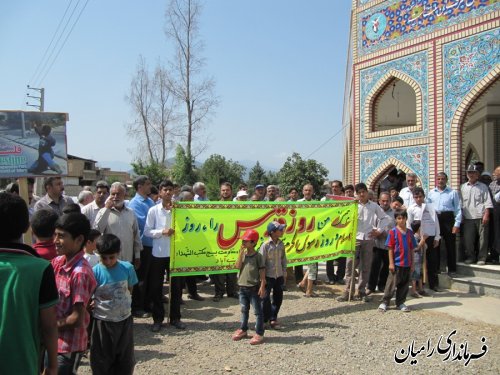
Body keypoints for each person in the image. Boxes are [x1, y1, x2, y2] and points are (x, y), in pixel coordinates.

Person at [0, 192, 59, 375]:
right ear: (27, 226)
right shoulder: (41, 269)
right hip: (23, 364)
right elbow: (49, 326)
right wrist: (52, 365)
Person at [51, 213, 97, 374]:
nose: (55, 240)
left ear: (79, 240)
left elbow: (76, 318)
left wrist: (47, 327)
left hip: (68, 345)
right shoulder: (57, 262)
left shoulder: (80, 272)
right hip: (52, 341)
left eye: (61, 236)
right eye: (55, 234)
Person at [90, 234, 138, 375]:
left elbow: (130, 289)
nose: (108, 261)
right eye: (104, 258)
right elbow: (91, 294)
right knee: (102, 357)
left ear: (118, 253)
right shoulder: (95, 272)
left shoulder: (127, 268)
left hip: (124, 319)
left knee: (125, 357)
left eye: (112, 257)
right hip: (102, 322)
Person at [144, 180, 186, 332]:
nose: (168, 192)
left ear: (174, 192)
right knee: (156, 288)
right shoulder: (153, 211)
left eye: (170, 190)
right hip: (158, 254)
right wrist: (162, 232)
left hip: (175, 255)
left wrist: (176, 212)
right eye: (165, 190)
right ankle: (158, 319)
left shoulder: (179, 209)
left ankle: (175, 318)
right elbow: (147, 232)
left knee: (176, 288)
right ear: (160, 192)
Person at [338, 183, 389, 302]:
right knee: (350, 265)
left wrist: (379, 231)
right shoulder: (353, 204)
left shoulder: (374, 206)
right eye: (359, 192)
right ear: (356, 193)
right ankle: (347, 291)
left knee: (365, 267)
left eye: (363, 192)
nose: (361, 194)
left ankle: (361, 292)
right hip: (354, 238)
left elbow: (384, 218)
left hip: (369, 239)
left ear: (367, 192)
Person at [94, 182, 142, 267]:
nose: (115, 197)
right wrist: (107, 209)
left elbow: (136, 234)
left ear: (124, 195)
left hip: (127, 259)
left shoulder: (130, 213)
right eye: (113, 194)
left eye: (118, 194)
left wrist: (137, 255)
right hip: (109, 260)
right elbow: (97, 230)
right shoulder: (103, 212)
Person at [128, 176, 156, 318]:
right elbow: (143, 223)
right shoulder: (135, 203)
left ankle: (147, 303)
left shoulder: (150, 201)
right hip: (143, 245)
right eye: (147, 184)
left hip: (152, 244)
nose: (150, 186)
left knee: (150, 277)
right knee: (140, 278)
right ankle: (137, 306)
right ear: (139, 186)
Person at [232, 229, 266, 345]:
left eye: (246, 241)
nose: (243, 243)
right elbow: (237, 266)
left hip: (254, 288)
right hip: (242, 287)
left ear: (253, 242)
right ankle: (243, 329)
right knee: (243, 310)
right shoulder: (243, 255)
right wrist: (241, 254)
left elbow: (262, 273)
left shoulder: (258, 257)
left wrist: (262, 286)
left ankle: (259, 333)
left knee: (257, 312)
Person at [378, 209, 416, 313]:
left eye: (403, 218)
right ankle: (385, 302)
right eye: (399, 218)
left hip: (407, 263)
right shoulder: (393, 232)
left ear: (406, 219)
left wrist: (413, 263)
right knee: (391, 284)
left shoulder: (410, 233)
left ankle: (400, 302)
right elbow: (390, 248)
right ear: (396, 220)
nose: (401, 220)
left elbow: (412, 248)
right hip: (396, 263)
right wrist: (391, 263)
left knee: (404, 284)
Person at [426, 172, 462, 275]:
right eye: (439, 179)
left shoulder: (452, 192)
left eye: (442, 179)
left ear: (446, 180)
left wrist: (457, 224)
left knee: (450, 245)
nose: (440, 181)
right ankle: (436, 268)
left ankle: (452, 269)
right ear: (436, 180)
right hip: (435, 219)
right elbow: (428, 208)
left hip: (448, 219)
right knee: (435, 244)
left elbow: (458, 209)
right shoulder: (431, 193)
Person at [407, 187, 441, 292]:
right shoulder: (411, 209)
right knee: (417, 262)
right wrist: (411, 238)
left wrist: (437, 237)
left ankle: (433, 284)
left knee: (432, 261)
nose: (418, 199)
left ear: (424, 196)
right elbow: (409, 224)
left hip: (430, 236)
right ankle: (418, 285)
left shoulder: (430, 207)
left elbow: (436, 222)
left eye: (420, 196)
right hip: (417, 238)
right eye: (416, 197)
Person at [460, 164, 493, 265]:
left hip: (481, 216)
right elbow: (460, 204)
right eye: (469, 172)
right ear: (467, 174)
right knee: (468, 239)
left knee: (483, 239)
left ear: (477, 174)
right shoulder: (463, 187)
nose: (471, 174)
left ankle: (482, 257)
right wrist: (460, 216)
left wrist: (486, 215)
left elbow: (487, 202)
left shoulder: (483, 187)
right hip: (468, 217)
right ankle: (471, 257)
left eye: (473, 173)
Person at [213, 182, 239, 302]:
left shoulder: (237, 206)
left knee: (233, 267)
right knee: (220, 268)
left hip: (234, 239)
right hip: (219, 240)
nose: (225, 192)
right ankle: (219, 292)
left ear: (231, 192)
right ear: (220, 192)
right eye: (223, 190)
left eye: (227, 190)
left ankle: (232, 291)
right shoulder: (214, 206)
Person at [367, 191, 395, 295]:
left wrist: (385, 235)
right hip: (375, 243)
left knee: (386, 267)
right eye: (383, 201)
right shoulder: (373, 212)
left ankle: (382, 285)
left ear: (390, 201)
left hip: (388, 245)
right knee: (374, 266)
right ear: (379, 201)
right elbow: (369, 224)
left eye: (387, 201)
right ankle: (371, 286)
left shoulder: (394, 214)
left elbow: (395, 229)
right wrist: (378, 232)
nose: (385, 203)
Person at [260, 221, 287, 328]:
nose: (282, 231)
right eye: (280, 230)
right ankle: (265, 318)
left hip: (279, 275)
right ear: (272, 232)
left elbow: (283, 259)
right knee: (265, 298)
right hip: (268, 276)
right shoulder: (265, 245)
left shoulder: (281, 244)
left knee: (278, 298)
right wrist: (262, 278)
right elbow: (261, 262)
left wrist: (284, 272)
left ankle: (273, 318)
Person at [409, 220, 428, 298]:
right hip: (415, 258)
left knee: (419, 274)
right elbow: (415, 248)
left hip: (420, 258)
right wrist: (423, 240)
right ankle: (413, 291)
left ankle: (421, 289)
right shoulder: (414, 237)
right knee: (415, 275)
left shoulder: (420, 237)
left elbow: (425, 247)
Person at [489, 166, 500, 263]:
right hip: (495, 213)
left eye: (497, 174)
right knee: (495, 234)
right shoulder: (492, 184)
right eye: (496, 173)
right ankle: (495, 255)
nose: (495, 175)